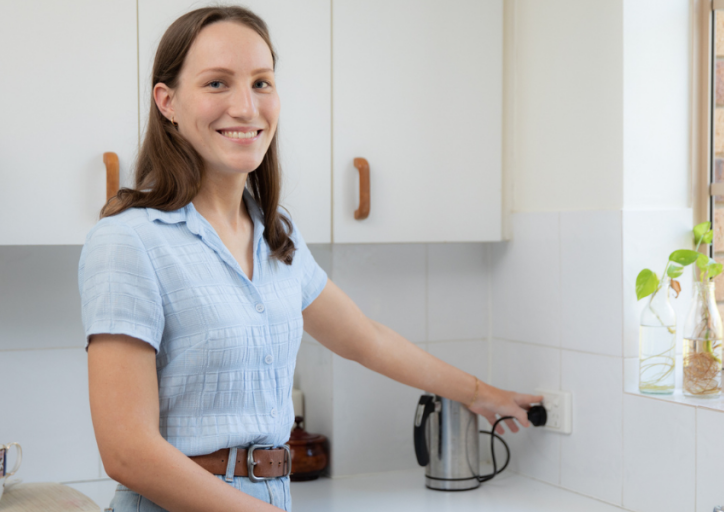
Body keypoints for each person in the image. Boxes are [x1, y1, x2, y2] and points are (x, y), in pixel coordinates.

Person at [79, 6, 541, 512]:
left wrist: (480, 393)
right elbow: (128, 452)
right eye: (216, 83)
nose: (246, 107)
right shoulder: (129, 241)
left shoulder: (276, 235)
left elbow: (367, 340)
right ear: (167, 101)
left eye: (261, 83)